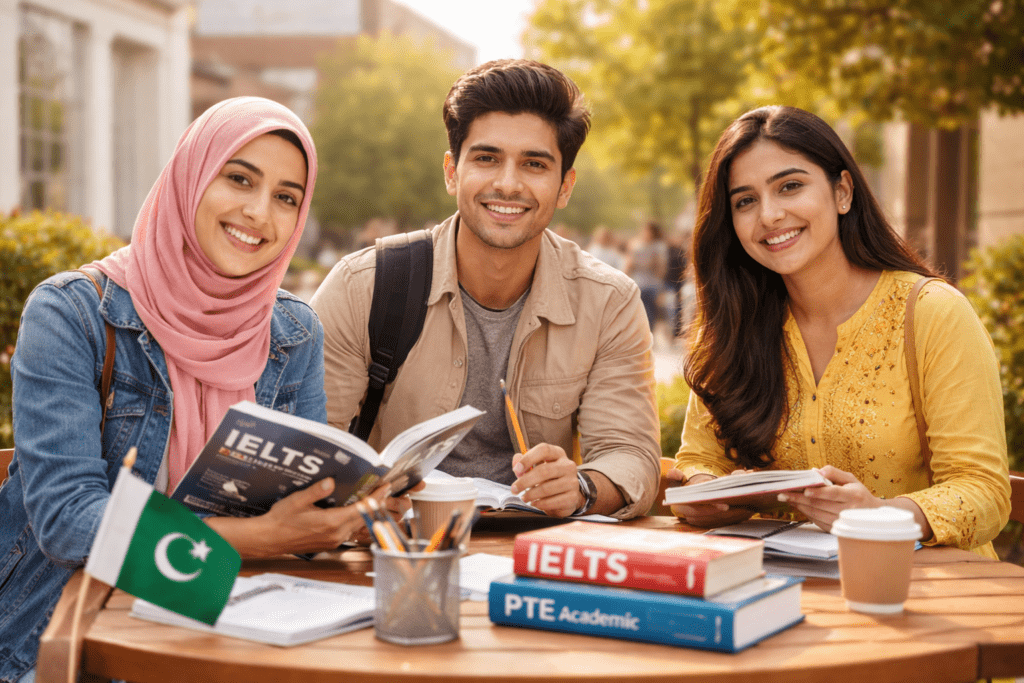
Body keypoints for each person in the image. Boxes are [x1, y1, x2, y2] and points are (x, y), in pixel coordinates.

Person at [1, 97, 387, 682]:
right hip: (73, 634)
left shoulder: (293, 332)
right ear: (190, 177)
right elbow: (69, 521)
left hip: (242, 628)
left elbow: (301, 512)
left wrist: (351, 514)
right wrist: (254, 538)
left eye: (286, 197)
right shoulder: (72, 315)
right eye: (239, 179)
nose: (259, 212)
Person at [311, 59, 660, 520]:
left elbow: (630, 454)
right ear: (452, 172)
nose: (508, 184)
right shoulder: (364, 286)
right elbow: (307, 448)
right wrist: (354, 503)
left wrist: (580, 487)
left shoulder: (608, 302)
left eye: (534, 164)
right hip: (392, 543)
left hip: (531, 546)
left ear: (565, 187)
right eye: (486, 159)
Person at [669, 105, 1010, 558]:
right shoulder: (736, 326)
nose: (769, 215)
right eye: (745, 201)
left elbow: (985, 491)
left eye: (790, 186)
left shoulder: (933, 313)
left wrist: (879, 515)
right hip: (787, 582)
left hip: (928, 585)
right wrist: (707, 494)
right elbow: (699, 459)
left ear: (843, 191)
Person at [624, 220, 668, 331]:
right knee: (638, 313)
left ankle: (649, 335)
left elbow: (661, 269)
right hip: (638, 283)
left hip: (653, 285)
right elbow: (628, 264)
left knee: (651, 313)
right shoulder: (635, 244)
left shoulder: (659, 246)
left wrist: (654, 264)